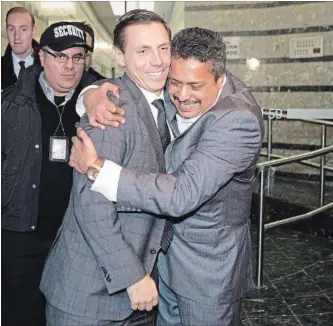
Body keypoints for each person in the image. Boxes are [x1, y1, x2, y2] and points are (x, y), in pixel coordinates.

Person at [70, 27, 264, 325]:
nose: (181, 96)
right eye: (174, 83)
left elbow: (181, 195)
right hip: (162, 266)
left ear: (220, 78)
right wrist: (91, 94)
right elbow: (135, 83)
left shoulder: (238, 121)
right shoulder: (186, 80)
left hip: (207, 278)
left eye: (194, 86)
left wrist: (98, 168)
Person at [40, 10, 173, 326]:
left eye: (163, 48)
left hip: (138, 293)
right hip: (90, 295)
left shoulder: (170, 99)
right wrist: (133, 276)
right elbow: (91, 204)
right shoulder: (111, 110)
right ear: (120, 55)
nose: (157, 61)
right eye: (142, 50)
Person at [1, 21, 94, 326]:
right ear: (41, 57)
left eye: (77, 57)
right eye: (60, 56)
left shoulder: (96, 105)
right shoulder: (11, 104)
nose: (70, 66)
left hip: (75, 240)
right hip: (20, 238)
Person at [2, 6, 40, 91]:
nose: (17, 36)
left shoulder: (48, 68)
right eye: (11, 29)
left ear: (33, 31)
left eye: (23, 29)